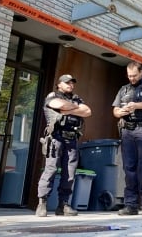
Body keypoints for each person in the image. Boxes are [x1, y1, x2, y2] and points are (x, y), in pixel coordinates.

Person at [35, 74, 92, 217]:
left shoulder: (76, 98)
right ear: (59, 84)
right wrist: (75, 109)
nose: (70, 85)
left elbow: (88, 111)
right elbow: (58, 105)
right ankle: (42, 203)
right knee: (51, 169)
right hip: (56, 137)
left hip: (72, 139)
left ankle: (63, 205)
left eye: (72, 83)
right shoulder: (53, 95)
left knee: (70, 173)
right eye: (67, 83)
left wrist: (69, 109)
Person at [112, 61, 142, 216]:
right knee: (129, 169)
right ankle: (131, 205)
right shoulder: (123, 89)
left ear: (141, 72)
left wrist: (136, 106)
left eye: (134, 75)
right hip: (127, 131)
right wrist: (121, 112)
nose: (131, 78)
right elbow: (115, 110)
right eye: (129, 75)